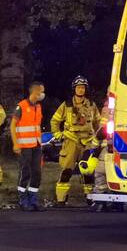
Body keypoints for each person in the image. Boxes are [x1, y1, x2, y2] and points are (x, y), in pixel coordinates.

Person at [49, 75, 102, 207]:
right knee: (66, 171)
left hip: (87, 142)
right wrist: (57, 134)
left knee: (88, 172)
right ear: (74, 89)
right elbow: (55, 120)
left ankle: (90, 199)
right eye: (78, 87)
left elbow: (98, 122)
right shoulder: (66, 105)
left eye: (83, 88)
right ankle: (61, 200)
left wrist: (98, 137)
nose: (80, 90)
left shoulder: (91, 105)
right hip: (71, 141)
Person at [11, 81, 46, 211]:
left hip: (36, 145)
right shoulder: (21, 106)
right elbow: (13, 125)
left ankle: (33, 199)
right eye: (41, 91)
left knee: (37, 172)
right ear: (34, 92)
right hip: (24, 145)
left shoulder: (38, 107)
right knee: (25, 172)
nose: (42, 94)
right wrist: (15, 143)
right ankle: (22, 199)